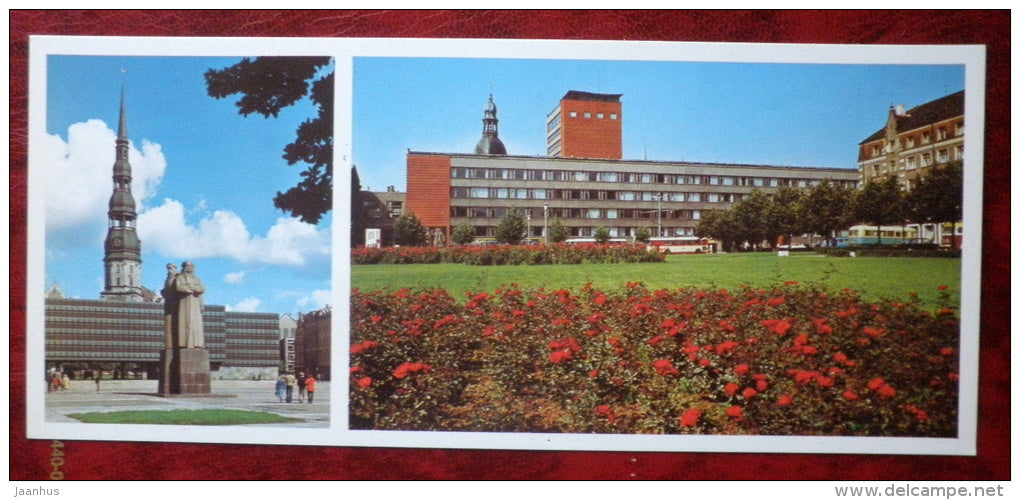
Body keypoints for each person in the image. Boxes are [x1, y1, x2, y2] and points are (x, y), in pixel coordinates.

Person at [172, 261, 205, 348]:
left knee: (195, 324)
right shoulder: (180, 277)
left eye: (191, 266)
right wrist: (187, 289)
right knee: (185, 322)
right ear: (184, 267)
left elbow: (202, 288)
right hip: (184, 302)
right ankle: (185, 344)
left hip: (195, 303)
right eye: (187, 266)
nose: (189, 268)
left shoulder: (197, 279)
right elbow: (178, 287)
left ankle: (197, 344)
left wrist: (194, 288)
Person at [160, 263, 179, 349]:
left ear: (175, 268)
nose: (169, 270)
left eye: (171, 268)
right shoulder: (167, 278)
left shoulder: (177, 277)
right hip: (168, 302)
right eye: (168, 268)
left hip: (175, 303)